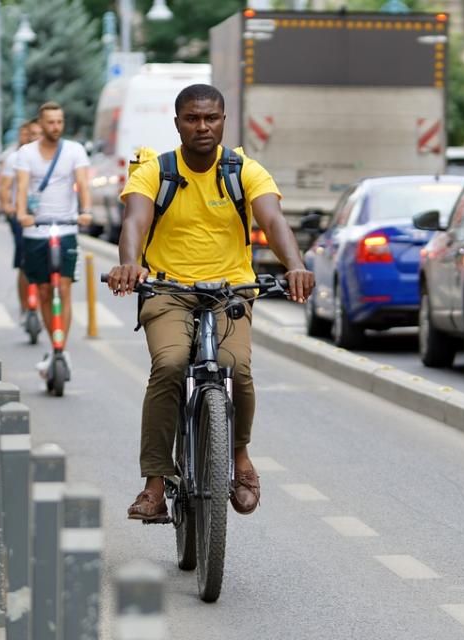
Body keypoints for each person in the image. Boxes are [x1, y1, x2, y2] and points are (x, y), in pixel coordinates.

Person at [107, 84, 315, 520]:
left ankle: (239, 459)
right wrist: (129, 264)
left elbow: (273, 220)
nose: (202, 126)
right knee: (169, 365)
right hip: (168, 291)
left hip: (230, 292)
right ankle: (154, 483)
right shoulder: (155, 170)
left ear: (224, 120)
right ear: (178, 122)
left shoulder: (245, 170)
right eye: (192, 118)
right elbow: (135, 221)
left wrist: (294, 264)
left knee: (236, 368)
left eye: (211, 118)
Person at [14, 103, 92, 375]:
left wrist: (86, 211)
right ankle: (53, 341)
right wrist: (22, 213)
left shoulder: (74, 151)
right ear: (41, 123)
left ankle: (60, 349)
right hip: (36, 229)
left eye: (59, 122)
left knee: (65, 287)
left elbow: (82, 182)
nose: (55, 127)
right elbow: (23, 185)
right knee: (45, 290)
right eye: (50, 122)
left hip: (67, 227)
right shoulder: (26, 154)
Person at [0, 119, 42, 321]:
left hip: (44, 217)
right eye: (26, 134)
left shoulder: (48, 157)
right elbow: (5, 187)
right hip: (20, 216)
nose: (29, 138)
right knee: (24, 262)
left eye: (33, 134)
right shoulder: (13, 158)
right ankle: (26, 307)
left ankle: (42, 302)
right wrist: (8, 206)